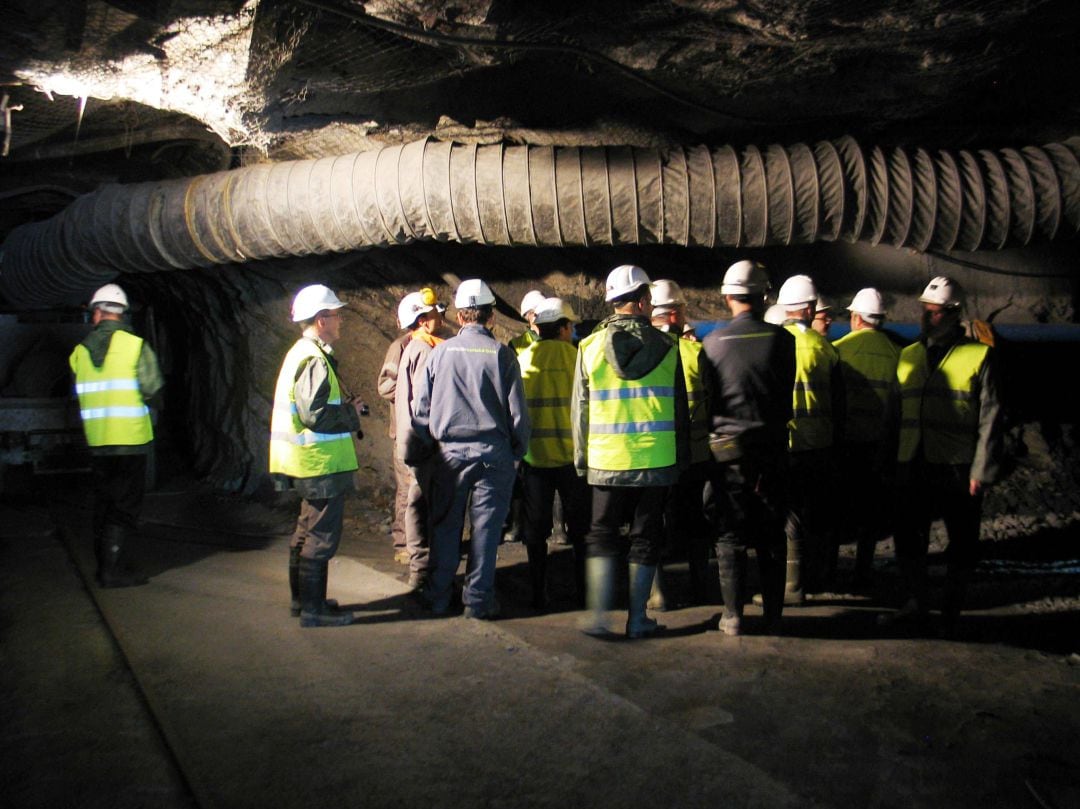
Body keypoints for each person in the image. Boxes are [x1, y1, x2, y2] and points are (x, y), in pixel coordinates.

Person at [573, 264, 689, 639]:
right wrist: (680, 461)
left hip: (606, 459)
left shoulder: (589, 347)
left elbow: (581, 411)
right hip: (656, 461)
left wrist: (581, 459)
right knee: (646, 537)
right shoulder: (670, 349)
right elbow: (680, 412)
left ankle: (599, 618)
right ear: (641, 302)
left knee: (602, 534)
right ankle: (637, 619)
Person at [886, 276, 1004, 635]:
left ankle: (951, 609)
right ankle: (917, 602)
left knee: (962, 542)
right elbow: (894, 415)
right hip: (914, 461)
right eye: (926, 311)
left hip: (957, 465)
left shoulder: (979, 355)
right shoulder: (908, 355)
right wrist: (889, 460)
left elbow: (991, 418)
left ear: (954, 315)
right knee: (908, 538)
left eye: (936, 313)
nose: (928, 318)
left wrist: (981, 471)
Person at [408, 279, 531, 619]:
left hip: (449, 456)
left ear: (460, 317)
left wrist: (430, 448)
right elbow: (518, 415)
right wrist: (517, 452)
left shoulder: (439, 354)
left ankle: (436, 597)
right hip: (494, 457)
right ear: (491, 317)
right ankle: (478, 601)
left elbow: (421, 412)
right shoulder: (503, 355)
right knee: (487, 532)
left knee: (446, 528)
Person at [700, 261, 795, 635]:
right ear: (763, 295)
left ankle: (733, 616)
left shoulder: (711, 344)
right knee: (772, 534)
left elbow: (710, 404)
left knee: (729, 535)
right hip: (771, 448)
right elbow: (784, 399)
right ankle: (773, 615)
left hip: (726, 454)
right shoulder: (783, 341)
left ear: (727, 297)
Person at [270, 284, 364, 628]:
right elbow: (315, 414)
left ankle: (303, 601)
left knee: (305, 530)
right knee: (321, 537)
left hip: (304, 462)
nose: (340, 321)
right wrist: (351, 415)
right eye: (336, 314)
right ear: (322, 319)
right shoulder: (313, 358)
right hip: (320, 464)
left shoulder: (301, 352)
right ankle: (313, 610)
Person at [69, 283, 164, 588]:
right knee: (125, 507)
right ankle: (112, 571)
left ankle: (107, 562)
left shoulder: (79, 353)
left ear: (97, 313)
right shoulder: (136, 347)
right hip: (131, 443)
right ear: (121, 314)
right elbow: (153, 390)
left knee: (104, 503)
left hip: (97, 444)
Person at [516, 297, 590, 609]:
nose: (572, 330)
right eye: (570, 326)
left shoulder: (523, 358)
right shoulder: (577, 357)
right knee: (581, 529)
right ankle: (585, 594)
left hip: (535, 458)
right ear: (561, 328)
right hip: (572, 459)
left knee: (536, 531)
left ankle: (537, 593)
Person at [775, 274, 843, 601]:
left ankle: (791, 585)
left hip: (784, 443)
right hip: (819, 445)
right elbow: (838, 401)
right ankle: (816, 579)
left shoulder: (773, 341)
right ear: (809, 308)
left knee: (787, 517)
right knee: (815, 513)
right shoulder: (824, 348)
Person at [831, 288, 900, 590]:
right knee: (871, 513)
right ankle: (863, 571)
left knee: (838, 508)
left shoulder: (839, 349)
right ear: (881, 319)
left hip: (845, 444)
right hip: (880, 445)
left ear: (856, 317)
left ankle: (829, 572)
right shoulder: (898, 354)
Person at [650, 279, 713, 606]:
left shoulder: (642, 356)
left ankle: (657, 593)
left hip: (654, 456)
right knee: (696, 523)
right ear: (675, 315)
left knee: (652, 521)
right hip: (696, 457)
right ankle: (701, 586)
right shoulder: (696, 353)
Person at [393, 288, 453, 591]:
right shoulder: (425, 351)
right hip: (426, 445)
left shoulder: (417, 348)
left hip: (416, 442)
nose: (439, 316)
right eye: (433, 313)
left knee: (419, 506)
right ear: (422, 319)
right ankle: (426, 576)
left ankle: (421, 573)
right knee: (429, 509)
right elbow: (428, 404)